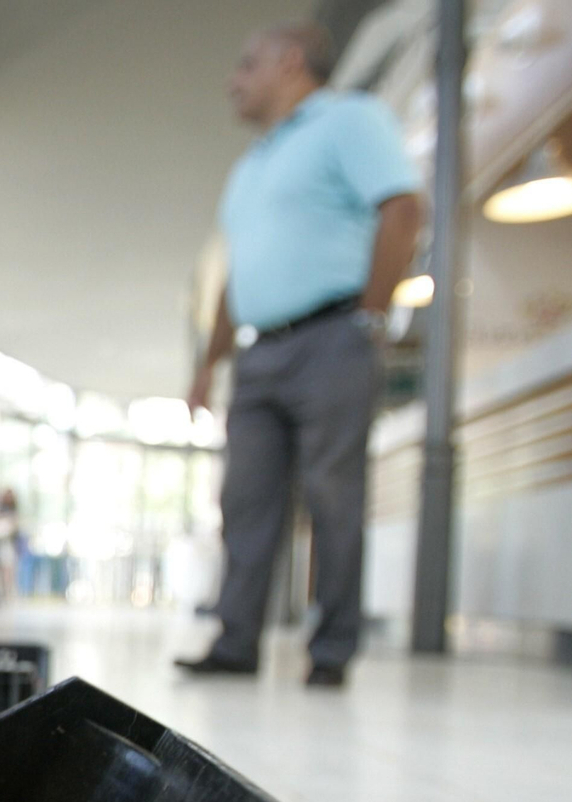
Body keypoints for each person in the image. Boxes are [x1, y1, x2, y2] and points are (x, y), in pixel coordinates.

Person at [177, 22, 423, 687]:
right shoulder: (250, 165)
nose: (234, 79)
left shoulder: (351, 121)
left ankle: (332, 650)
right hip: (259, 353)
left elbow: (402, 209)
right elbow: (238, 272)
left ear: (291, 63)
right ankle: (235, 642)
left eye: (246, 63)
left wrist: (370, 315)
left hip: (332, 336)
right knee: (245, 500)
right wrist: (209, 363)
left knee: (333, 495)